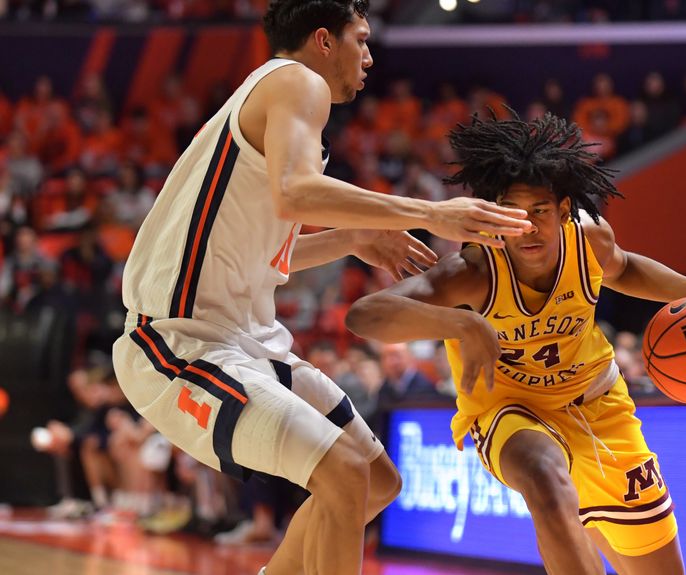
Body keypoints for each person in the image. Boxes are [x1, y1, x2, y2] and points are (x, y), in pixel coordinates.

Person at [111, 2, 532, 575]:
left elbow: (267, 252)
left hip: (246, 343)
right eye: (360, 39)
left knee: (376, 480)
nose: (369, 55)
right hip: (180, 343)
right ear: (322, 40)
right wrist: (431, 212)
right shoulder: (296, 80)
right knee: (342, 470)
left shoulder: (274, 108)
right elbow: (297, 193)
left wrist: (350, 236)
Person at [346, 111, 686, 575]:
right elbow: (365, 315)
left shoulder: (590, 241)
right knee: (543, 477)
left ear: (563, 211)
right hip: (510, 411)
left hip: (599, 409)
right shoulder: (476, 271)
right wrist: (461, 326)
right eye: (513, 213)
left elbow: (624, 268)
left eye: (539, 212)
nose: (527, 227)